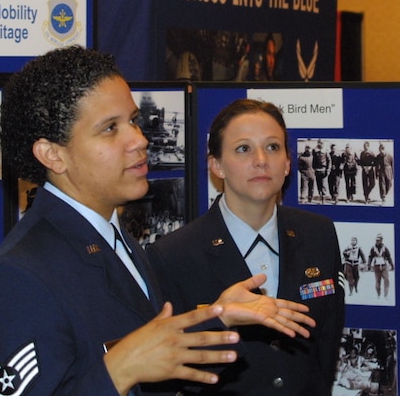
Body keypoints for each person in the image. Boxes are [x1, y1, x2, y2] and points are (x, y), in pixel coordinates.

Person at [0, 46, 312, 396]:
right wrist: (117, 370)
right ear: (53, 154)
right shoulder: (17, 277)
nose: (139, 139)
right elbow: (125, 362)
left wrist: (218, 318)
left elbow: (149, 362)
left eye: (132, 120)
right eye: (110, 129)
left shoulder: (118, 241)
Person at [147, 99, 345, 395]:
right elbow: (167, 368)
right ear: (216, 164)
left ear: (289, 162)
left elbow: (326, 345)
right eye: (243, 149)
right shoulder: (174, 255)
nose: (261, 160)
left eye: (273, 147)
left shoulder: (319, 234)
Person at [367, 233, 394, 299]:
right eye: (376, 240)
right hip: (376, 267)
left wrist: (392, 265)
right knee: (378, 281)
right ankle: (378, 294)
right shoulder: (373, 248)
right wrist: (369, 265)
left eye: (379, 240)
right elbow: (370, 257)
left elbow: (389, 257)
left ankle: (386, 295)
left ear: (381, 240)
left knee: (386, 279)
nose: (377, 241)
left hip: (384, 266)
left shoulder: (385, 248)